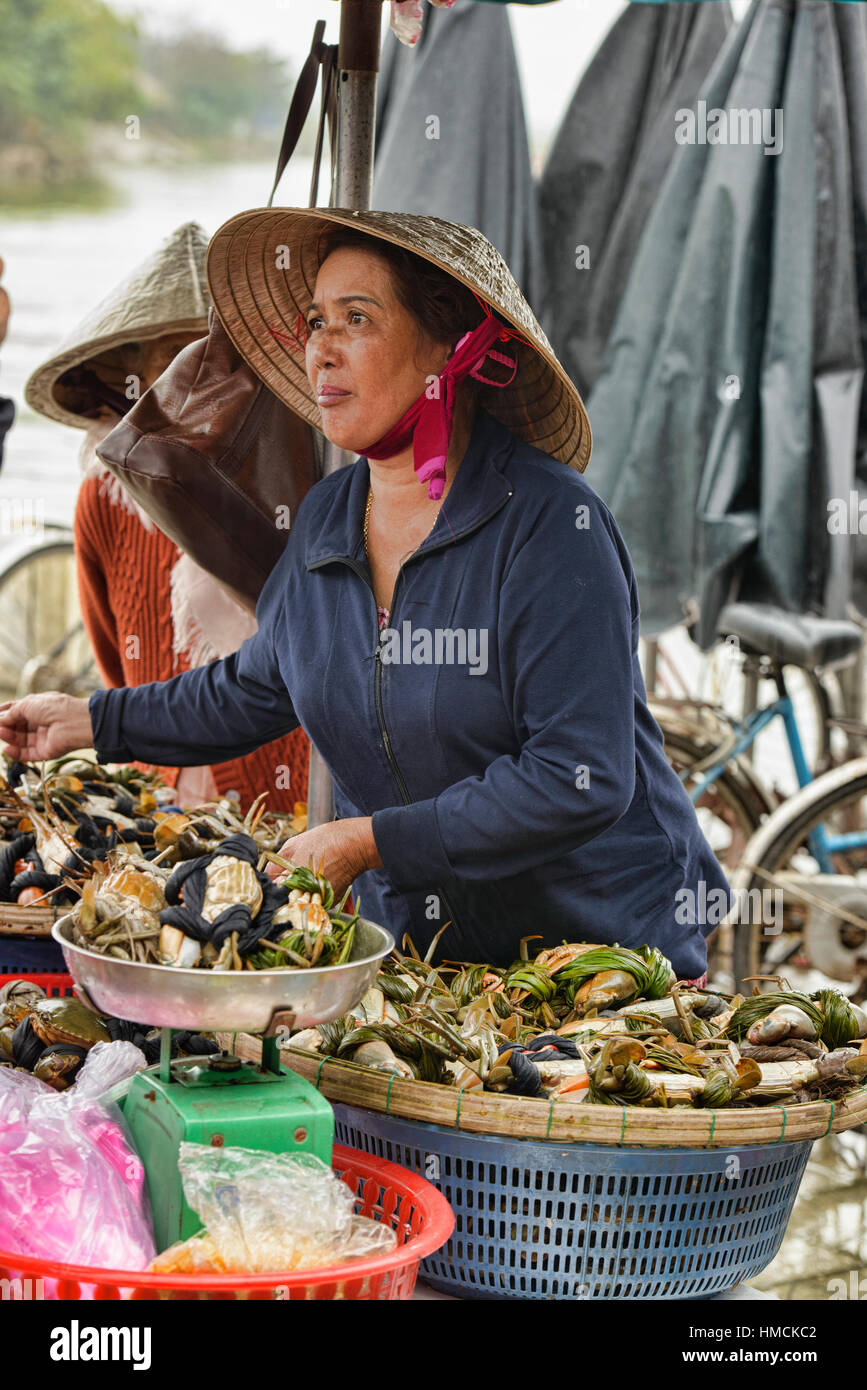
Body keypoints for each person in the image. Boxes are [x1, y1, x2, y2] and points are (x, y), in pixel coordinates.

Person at [1, 207, 730, 976]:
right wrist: (85, 720)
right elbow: (253, 690)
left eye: (358, 318)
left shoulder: (549, 525)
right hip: (427, 959)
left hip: (604, 954)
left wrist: (369, 840)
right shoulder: (326, 517)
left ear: (450, 348)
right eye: (315, 321)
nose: (322, 348)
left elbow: (577, 777)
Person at [23, 222, 309, 812]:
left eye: (211, 364)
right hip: (157, 786)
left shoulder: (291, 490)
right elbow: (112, 656)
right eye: (171, 365)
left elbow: (296, 669)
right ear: (129, 384)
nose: (192, 388)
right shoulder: (102, 501)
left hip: (282, 791)